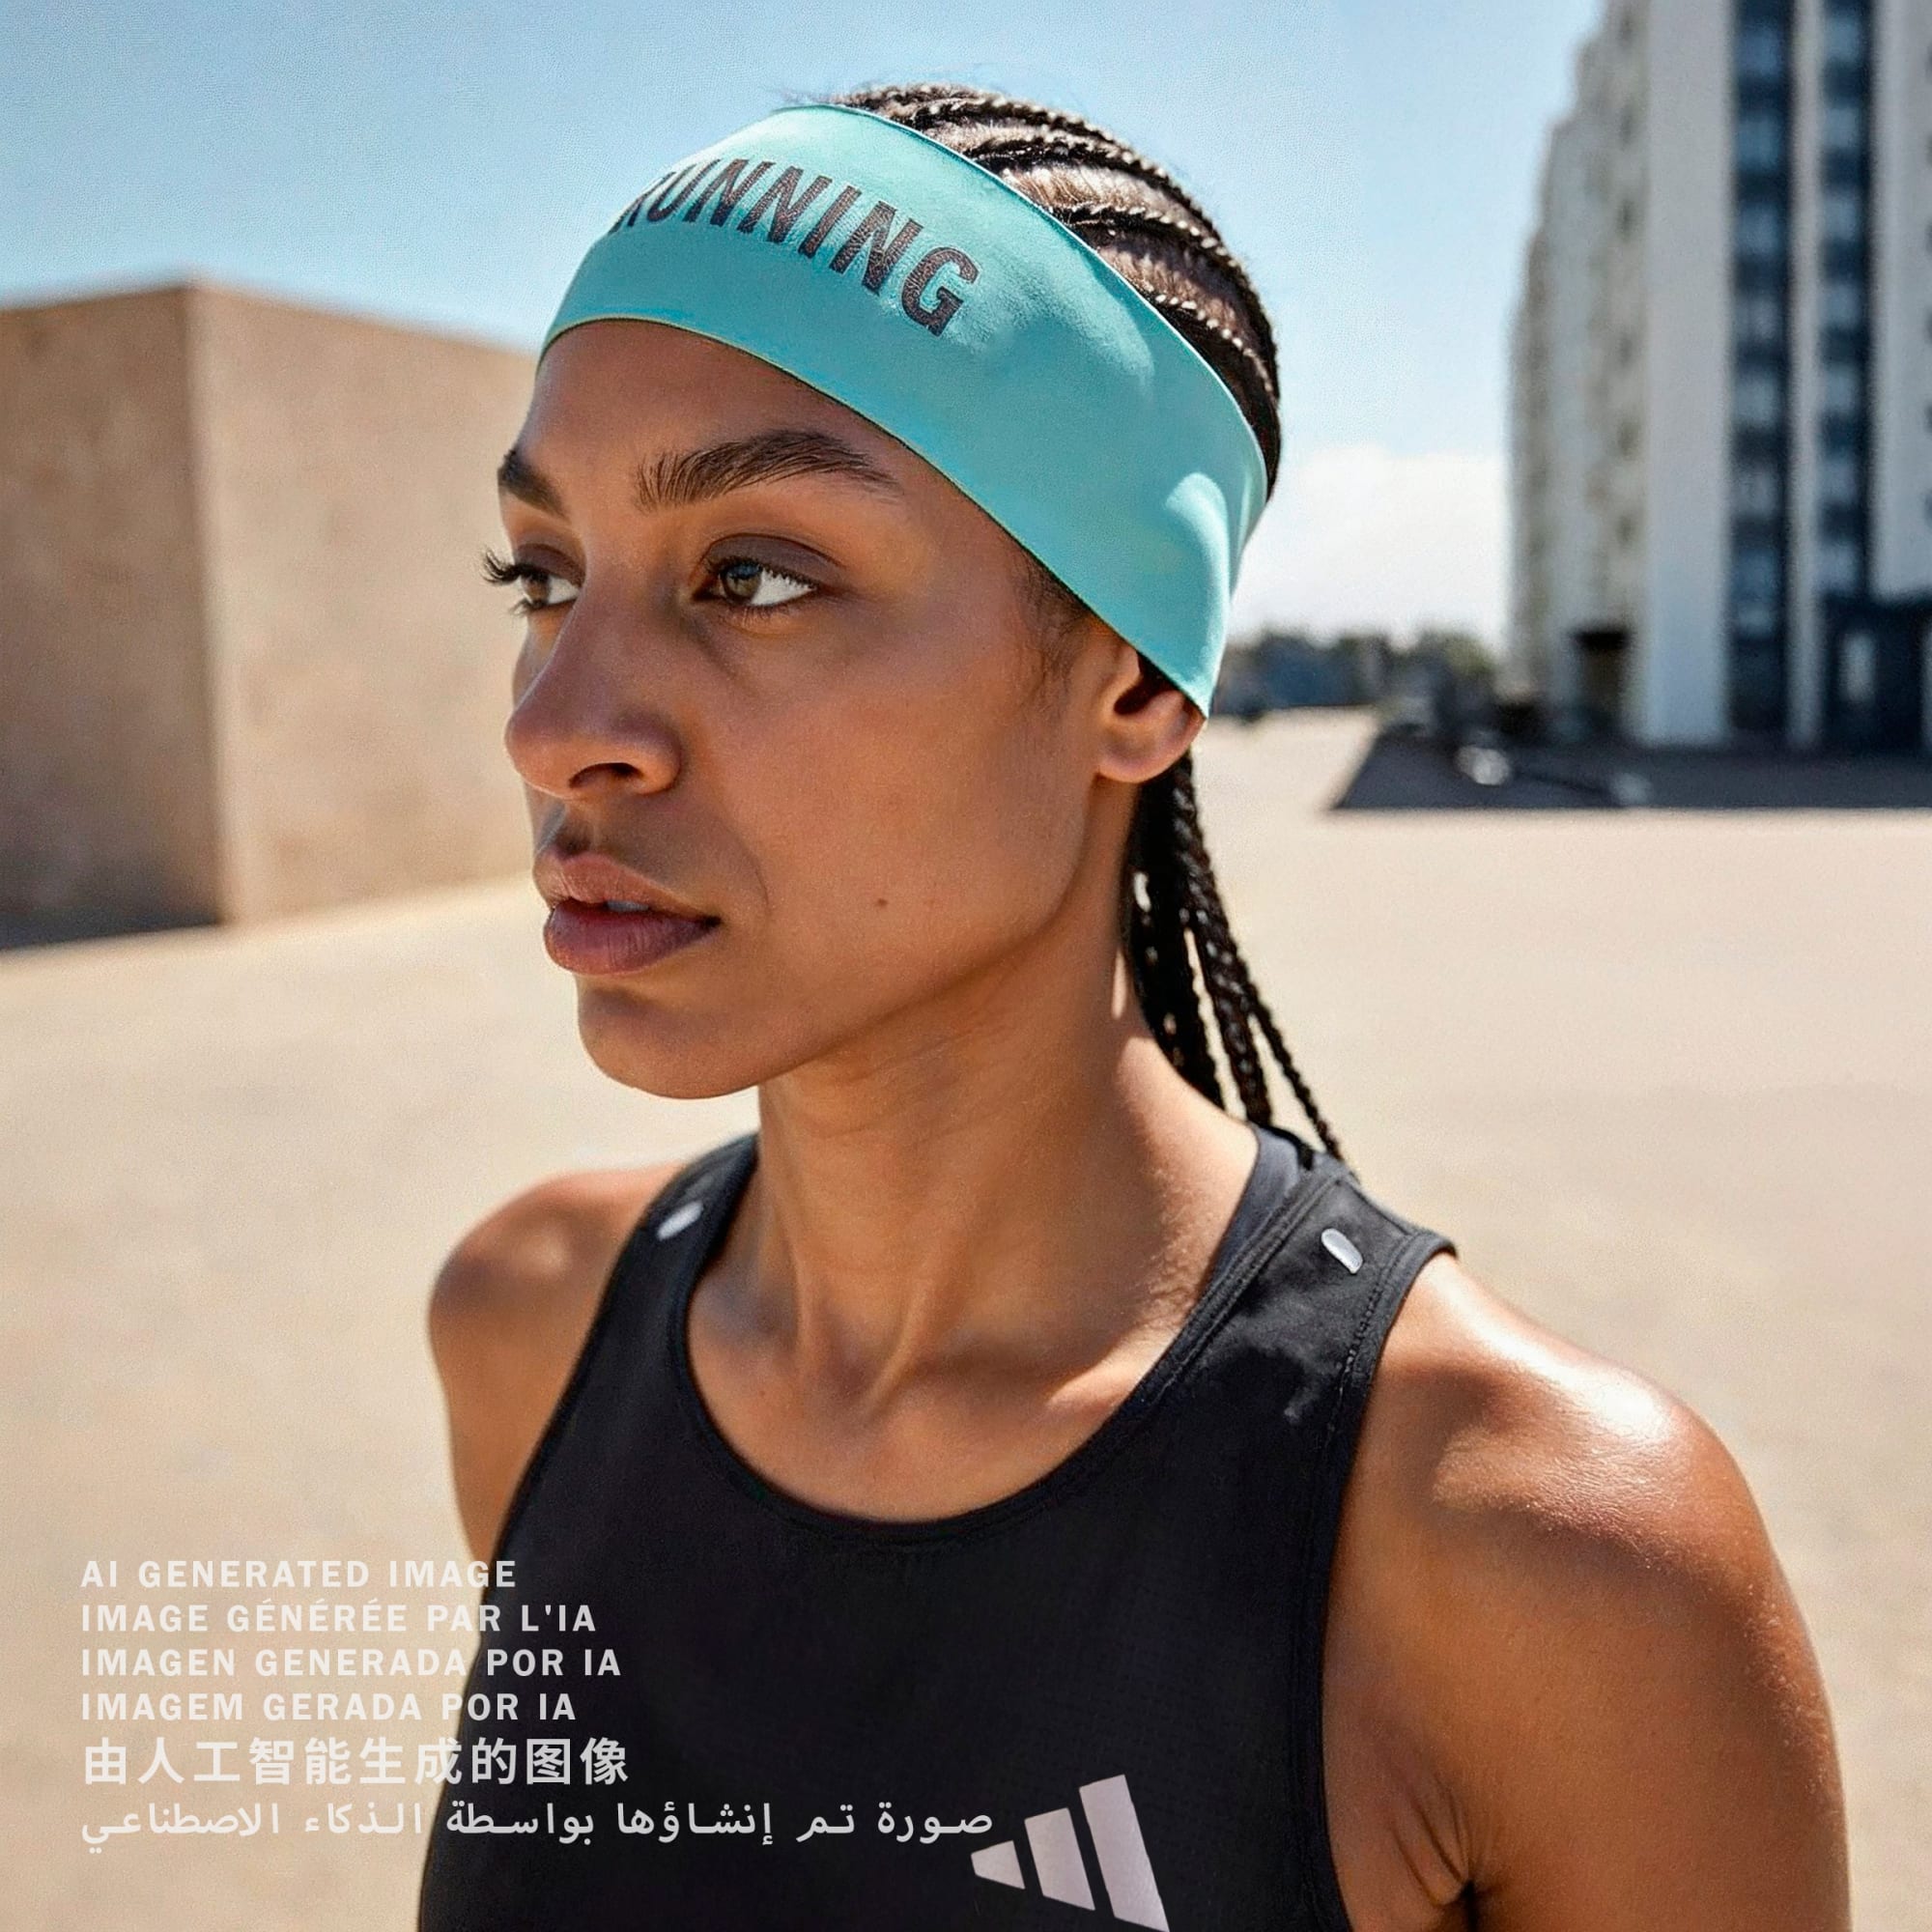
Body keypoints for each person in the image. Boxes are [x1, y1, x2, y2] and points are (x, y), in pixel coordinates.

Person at [417, 84, 1849, 1931]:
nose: (554, 727)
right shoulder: (528, 1330)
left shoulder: (1540, 1558)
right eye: (541, 577)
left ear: (1135, 679)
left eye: (754, 578)